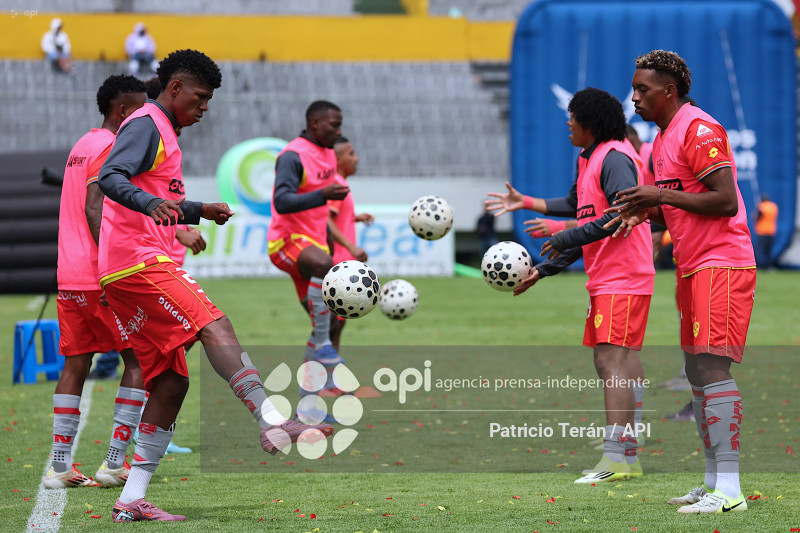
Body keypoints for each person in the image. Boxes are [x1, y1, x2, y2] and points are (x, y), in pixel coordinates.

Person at [97, 49, 333, 522]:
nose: (205, 108)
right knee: (213, 323)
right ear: (177, 88)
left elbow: (154, 196)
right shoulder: (147, 123)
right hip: (138, 263)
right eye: (201, 98)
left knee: (170, 383)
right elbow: (110, 177)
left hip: (125, 267)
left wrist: (197, 209)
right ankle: (271, 420)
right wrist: (150, 205)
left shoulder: (164, 132)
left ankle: (131, 499)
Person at [606, 49, 756, 514]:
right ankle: (713, 481)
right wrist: (645, 211)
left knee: (712, 369)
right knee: (696, 373)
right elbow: (677, 201)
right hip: (693, 266)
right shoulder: (667, 135)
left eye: (642, 90)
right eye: (633, 89)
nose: (634, 98)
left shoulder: (698, 128)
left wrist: (659, 194)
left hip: (722, 262)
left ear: (669, 92)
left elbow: (725, 200)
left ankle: (730, 490)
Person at [486, 87, 654, 484]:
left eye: (573, 115)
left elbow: (617, 216)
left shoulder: (614, 158)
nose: (568, 122)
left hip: (623, 275)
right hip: (612, 276)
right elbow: (578, 205)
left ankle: (616, 459)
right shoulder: (591, 157)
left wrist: (564, 238)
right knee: (618, 362)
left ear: (590, 122)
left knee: (610, 362)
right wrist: (543, 266)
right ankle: (626, 457)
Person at [44, 75, 147, 490]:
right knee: (139, 361)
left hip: (68, 275)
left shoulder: (81, 145)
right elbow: (95, 205)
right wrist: (110, 268)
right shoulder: (108, 146)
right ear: (121, 111)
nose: (144, 117)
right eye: (139, 109)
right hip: (97, 274)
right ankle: (114, 462)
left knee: (75, 364)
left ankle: (60, 466)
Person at [267, 101, 350, 392]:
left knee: (334, 321)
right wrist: (323, 193)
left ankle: (308, 400)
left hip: (313, 246)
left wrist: (327, 242)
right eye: (334, 125)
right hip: (285, 243)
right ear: (315, 123)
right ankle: (326, 346)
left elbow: (320, 211)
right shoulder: (293, 155)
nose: (339, 131)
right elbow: (282, 201)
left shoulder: (327, 152)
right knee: (326, 325)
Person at [326, 136, 374, 358]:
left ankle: (329, 370)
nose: (357, 158)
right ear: (337, 159)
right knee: (333, 324)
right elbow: (325, 220)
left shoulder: (340, 183)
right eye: (351, 154)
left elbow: (337, 219)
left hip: (342, 260)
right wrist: (351, 247)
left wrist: (355, 218)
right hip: (338, 261)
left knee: (338, 323)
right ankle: (325, 372)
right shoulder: (336, 184)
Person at [754, 193, 778, 269]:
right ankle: (768, 266)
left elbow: (757, 217)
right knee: (768, 251)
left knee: (759, 250)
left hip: (762, 231)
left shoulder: (762, 207)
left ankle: (759, 266)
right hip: (771, 231)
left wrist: (754, 215)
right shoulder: (774, 207)